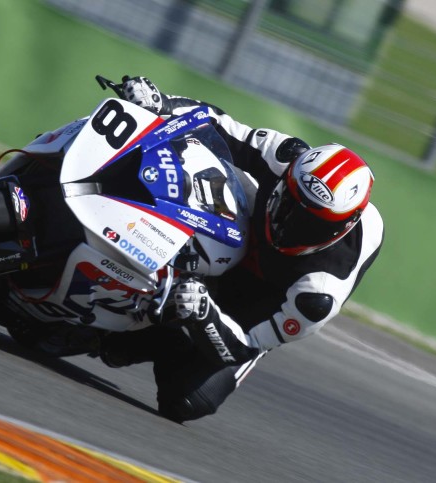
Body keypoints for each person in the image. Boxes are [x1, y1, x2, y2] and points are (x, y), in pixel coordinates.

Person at [98, 76, 385, 422]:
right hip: (242, 233)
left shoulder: (317, 296)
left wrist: (204, 314)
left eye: (311, 224)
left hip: (264, 298)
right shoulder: (286, 157)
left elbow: (245, 344)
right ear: (289, 177)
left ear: (342, 228)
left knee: (186, 400)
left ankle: (158, 336)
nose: (289, 223)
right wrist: (161, 103)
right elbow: (216, 124)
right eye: (289, 203)